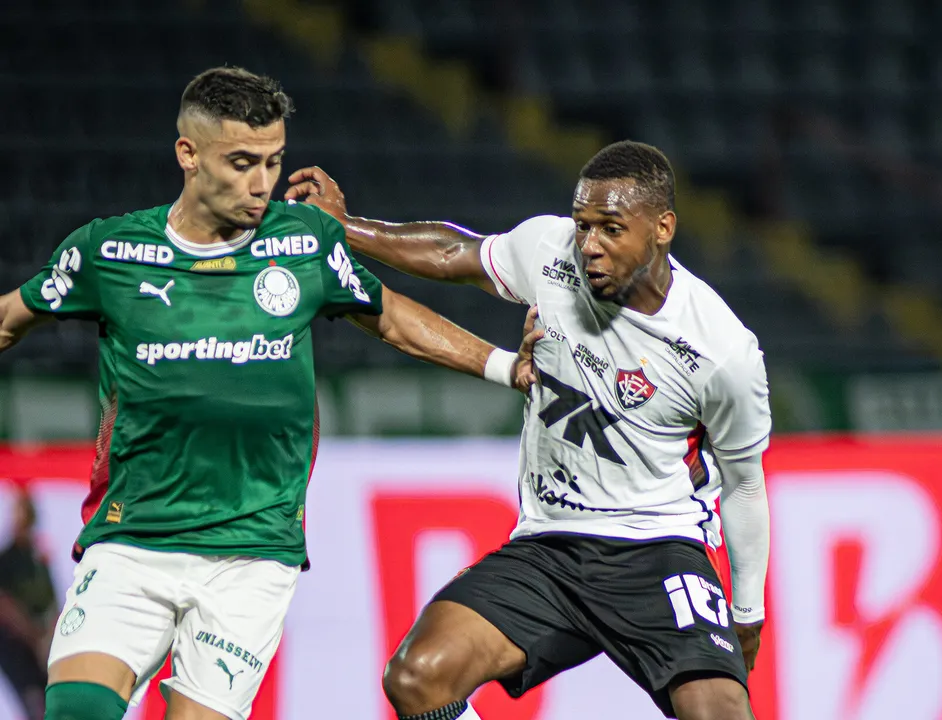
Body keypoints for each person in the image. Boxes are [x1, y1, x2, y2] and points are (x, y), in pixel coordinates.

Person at [0, 66, 540, 720]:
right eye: (242, 163)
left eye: (273, 161)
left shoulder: (302, 242)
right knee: (75, 710)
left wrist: (504, 366)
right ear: (188, 154)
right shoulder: (110, 252)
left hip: (252, 552)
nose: (262, 183)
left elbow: (392, 318)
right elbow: (9, 319)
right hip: (133, 536)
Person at [285, 140, 772, 720]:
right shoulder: (550, 250)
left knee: (720, 713)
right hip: (549, 545)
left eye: (611, 229)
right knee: (417, 677)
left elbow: (744, 485)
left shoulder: (722, 351)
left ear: (662, 228)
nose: (589, 245)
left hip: (658, 548)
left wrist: (748, 614)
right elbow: (454, 252)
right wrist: (346, 229)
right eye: (582, 224)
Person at [0, 489, 58, 720]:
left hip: (40, 647)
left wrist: (47, 636)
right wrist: (32, 634)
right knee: (33, 704)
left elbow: (51, 600)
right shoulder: (7, 559)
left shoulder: (38, 559)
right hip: (16, 648)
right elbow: (5, 605)